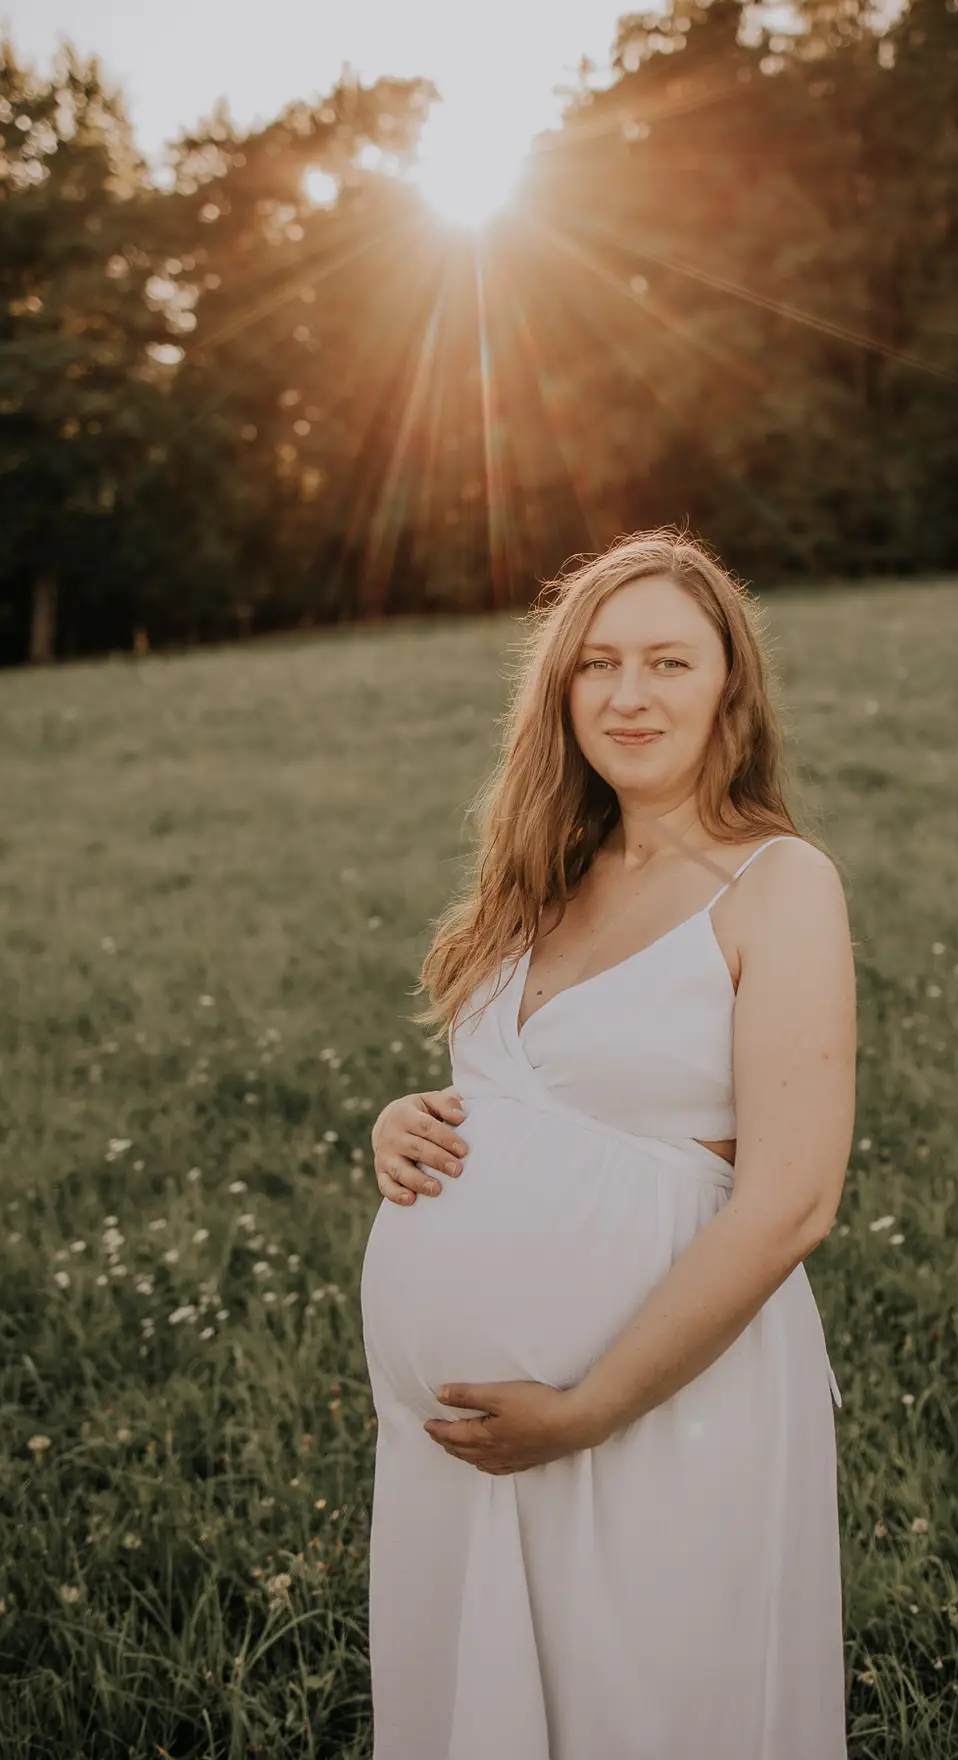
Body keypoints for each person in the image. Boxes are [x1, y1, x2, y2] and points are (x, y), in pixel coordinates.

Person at [360, 527, 857, 1759]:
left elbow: (791, 1203)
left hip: (659, 1411)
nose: (627, 695)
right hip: (464, 1460)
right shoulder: (543, 876)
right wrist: (400, 1122)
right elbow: (526, 1096)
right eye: (595, 665)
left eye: (667, 664)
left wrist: (589, 1407)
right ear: (558, 692)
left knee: (646, 1707)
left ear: (728, 690)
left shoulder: (776, 884)